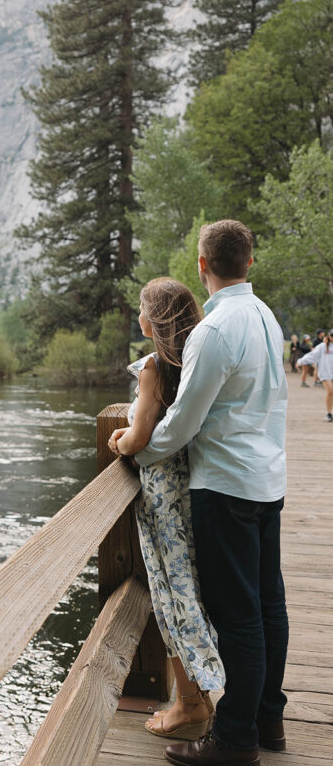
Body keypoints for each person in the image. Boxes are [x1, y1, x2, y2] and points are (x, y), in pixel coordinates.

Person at [110, 219, 288, 766]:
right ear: (250, 263)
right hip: (268, 480)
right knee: (267, 606)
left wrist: (138, 455)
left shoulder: (215, 331)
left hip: (227, 485)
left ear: (203, 265)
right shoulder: (265, 318)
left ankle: (235, 739)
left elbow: (183, 422)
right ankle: (267, 718)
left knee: (238, 617)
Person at [108, 279, 224, 740]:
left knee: (170, 593)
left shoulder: (155, 369)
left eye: (141, 308)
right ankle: (199, 696)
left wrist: (119, 440)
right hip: (193, 487)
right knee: (189, 588)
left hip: (162, 498)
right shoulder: (191, 365)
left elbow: (137, 438)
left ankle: (191, 705)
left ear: (149, 320)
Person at [297, 330, 333, 421]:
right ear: (329, 336)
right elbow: (312, 355)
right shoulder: (322, 347)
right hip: (325, 373)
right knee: (330, 391)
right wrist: (300, 361)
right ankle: (329, 413)